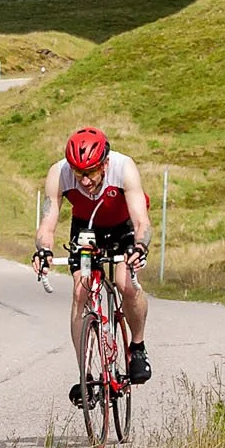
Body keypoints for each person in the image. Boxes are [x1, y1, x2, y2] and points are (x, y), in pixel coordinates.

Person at [33, 126, 151, 401]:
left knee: (125, 284)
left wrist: (140, 246)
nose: (85, 181)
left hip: (123, 229)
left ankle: (138, 346)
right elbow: (47, 223)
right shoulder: (58, 173)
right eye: (79, 173)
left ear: (105, 164)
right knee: (80, 290)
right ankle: (85, 376)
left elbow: (141, 221)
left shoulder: (123, 168)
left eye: (91, 172)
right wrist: (43, 251)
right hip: (86, 231)